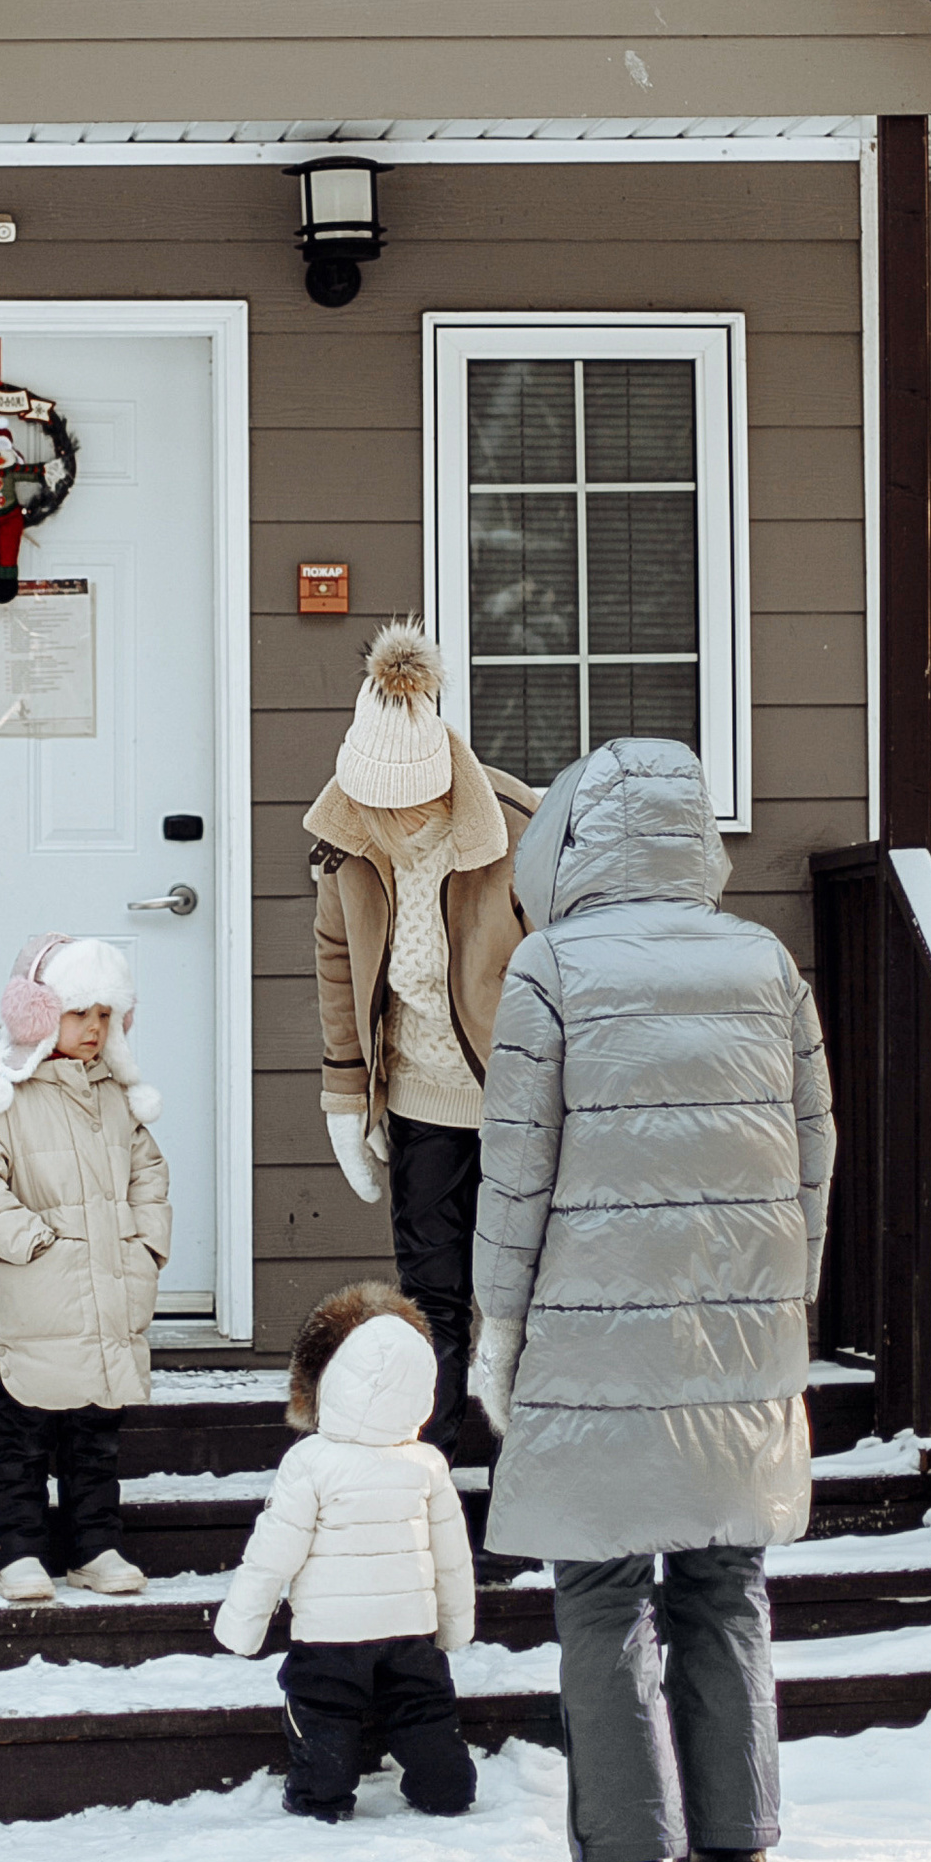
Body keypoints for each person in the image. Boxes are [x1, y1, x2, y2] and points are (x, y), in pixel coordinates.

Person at [470, 735, 836, 1862]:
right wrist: (785, 1299)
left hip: (592, 1333)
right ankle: (734, 1844)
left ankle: (623, 1858)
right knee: (724, 1580)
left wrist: (497, 1327)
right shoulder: (764, 963)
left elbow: (515, 1177)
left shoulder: (550, 966)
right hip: (741, 1330)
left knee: (600, 1586)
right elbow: (814, 1152)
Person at [306, 621, 535, 1453]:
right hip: (419, 1096)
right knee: (431, 1287)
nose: (395, 820)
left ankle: (530, 1466)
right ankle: (430, 1466)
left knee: (522, 1289)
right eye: (378, 803)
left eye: (410, 802)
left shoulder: (517, 827)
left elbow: (562, 968)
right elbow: (337, 960)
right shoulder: (347, 836)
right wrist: (344, 1094)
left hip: (517, 1099)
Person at [0, 934, 171, 1604]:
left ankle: (93, 1546)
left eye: (106, 1014)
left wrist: (145, 1244)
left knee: (95, 1436)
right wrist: (33, 1243)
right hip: (38, 1299)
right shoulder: (5, 1095)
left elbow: (149, 1174)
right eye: (79, 1014)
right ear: (40, 1015)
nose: (95, 1029)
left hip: (108, 1297)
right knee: (24, 1433)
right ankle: (16, 1549)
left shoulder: (112, 1096)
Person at [214, 1283, 477, 1822]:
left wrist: (242, 1625)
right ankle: (445, 1788)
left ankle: (320, 1796)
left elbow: (273, 1551)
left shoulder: (311, 1460)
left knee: (322, 1707)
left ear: (331, 1382)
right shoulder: (426, 1463)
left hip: (331, 1634)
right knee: (423, 1707)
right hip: (410, 1630)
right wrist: (453, 1628)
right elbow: (453, 1557)